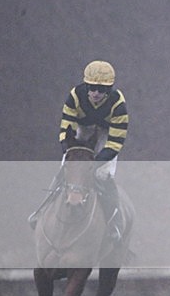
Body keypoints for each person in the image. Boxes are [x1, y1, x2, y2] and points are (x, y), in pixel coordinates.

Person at [28, 60, 129, 242]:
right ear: (86, 85)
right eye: (92, 88)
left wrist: (94, 163)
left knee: (104, 176)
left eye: (102, 89)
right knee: (66, 170)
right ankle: (41, 210)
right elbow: (66, 126)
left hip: (106, 136)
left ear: (109, 89)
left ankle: (115, 221)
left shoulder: (118, 104)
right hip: (82, 130)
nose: (96, 93)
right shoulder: (75, 96)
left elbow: (116, 142)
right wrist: (71, 150)